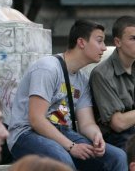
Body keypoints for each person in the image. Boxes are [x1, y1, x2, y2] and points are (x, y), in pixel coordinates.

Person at [7, 19, 127, 171]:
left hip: (63, 132)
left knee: (117, 157)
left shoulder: (82, 79)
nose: (104, 48)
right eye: (99, 41)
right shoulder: (48, 68)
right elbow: (36, 120)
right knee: (62, 160)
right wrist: (71, 146)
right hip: (27, 134)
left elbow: (86, 124)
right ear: (81, 42)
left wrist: (97, 137)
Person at [90, 16, 135, 149]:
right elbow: (118, 123)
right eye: (133, 38)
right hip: (116, 138)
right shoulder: (102, 74)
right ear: (118, 42)